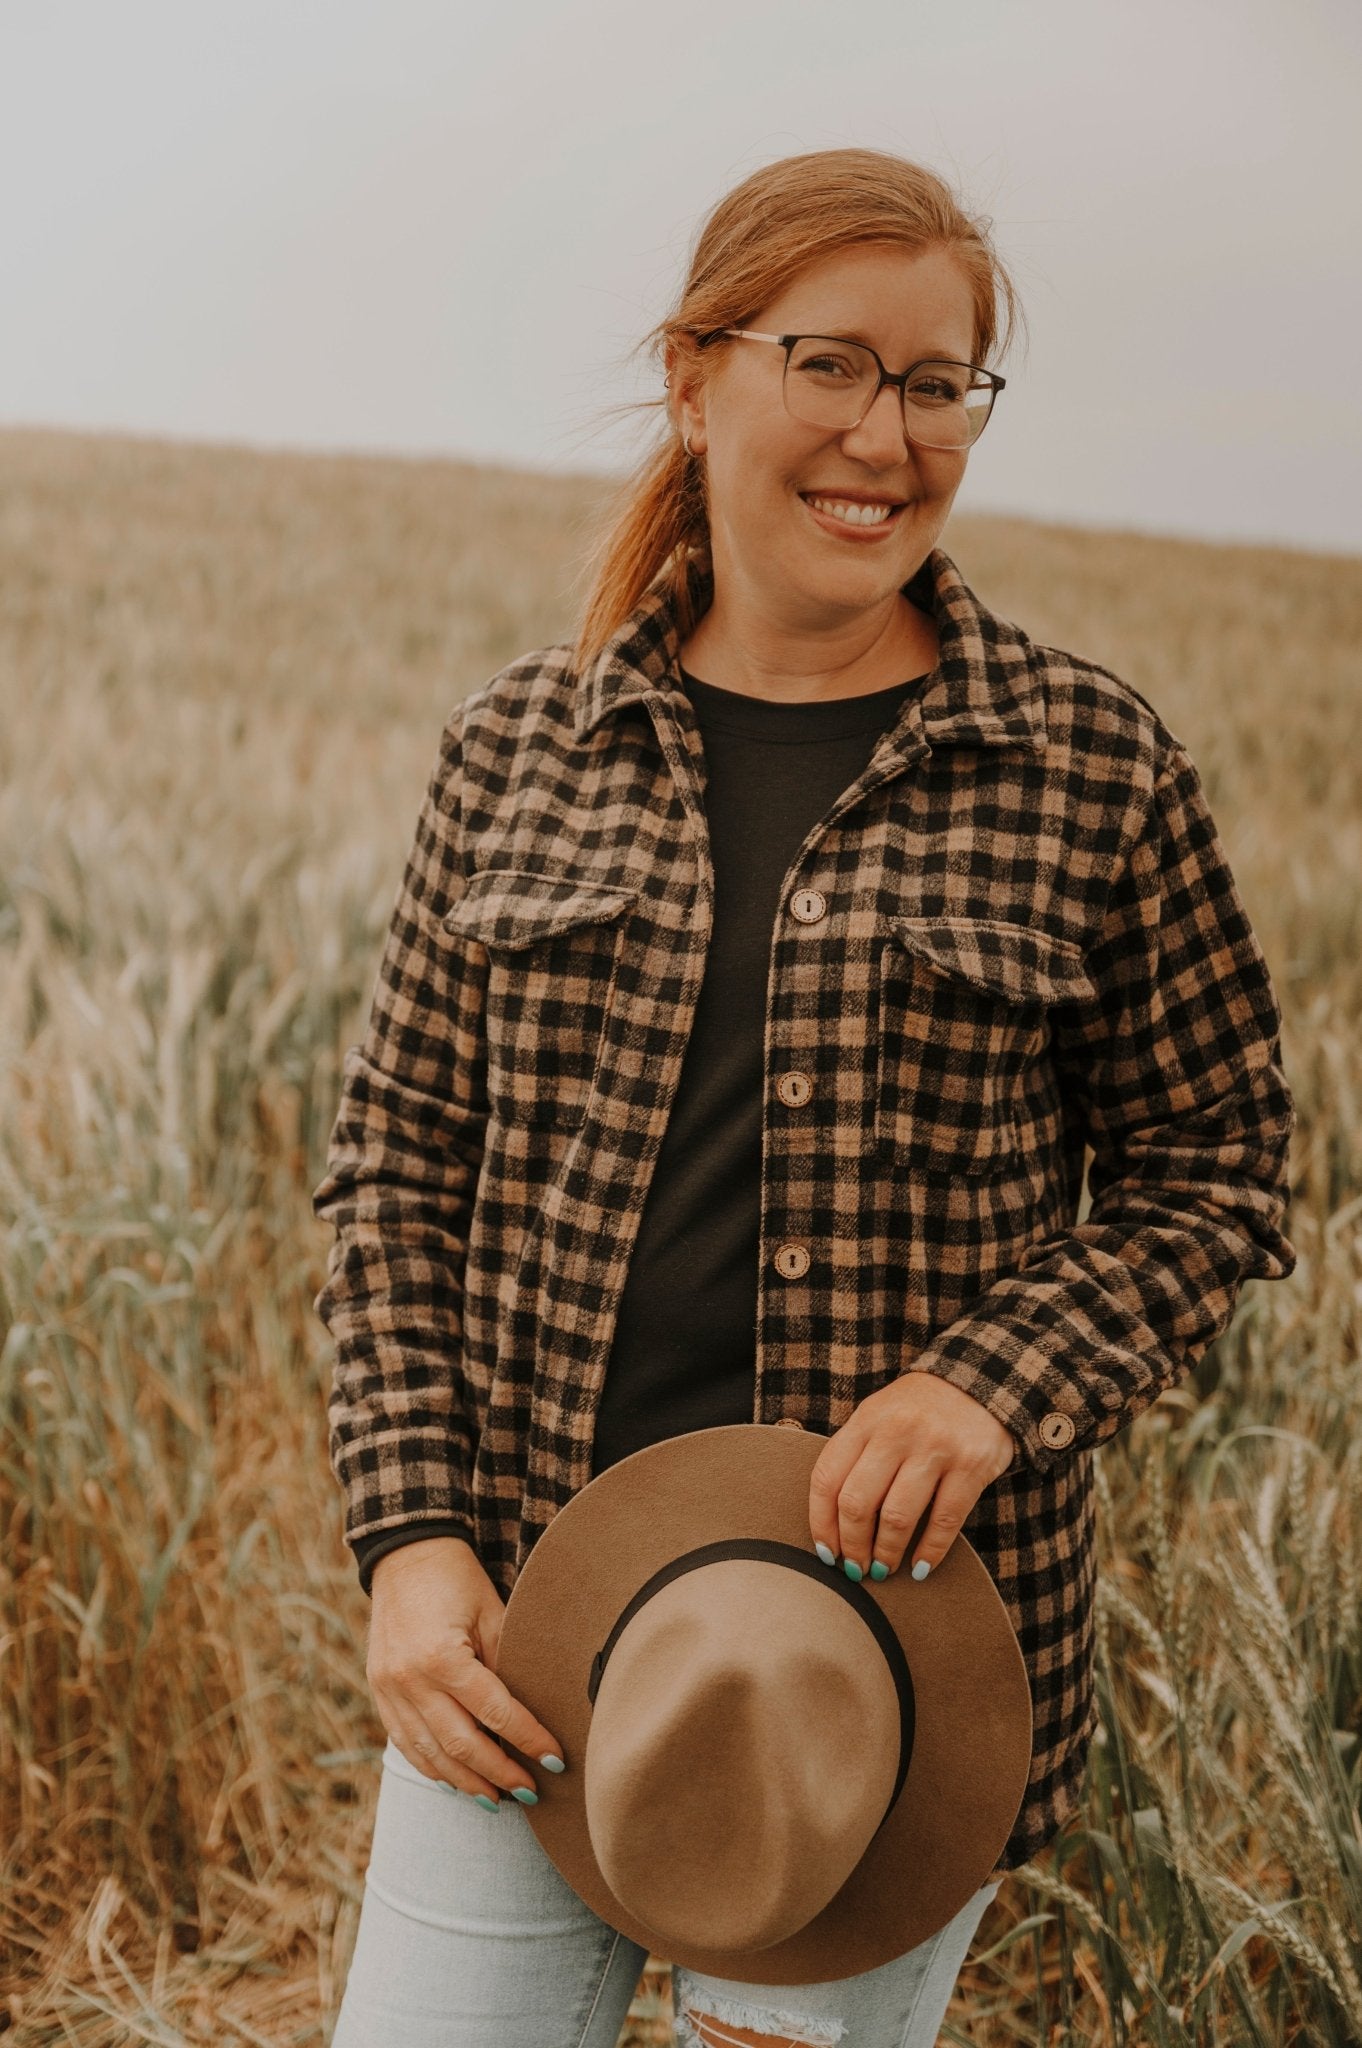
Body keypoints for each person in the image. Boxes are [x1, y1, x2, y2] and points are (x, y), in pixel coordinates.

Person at [310, 146, 1297, 2048]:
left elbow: (1220, 1167)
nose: (887, 435)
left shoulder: (1085, 766)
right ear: (696, 380)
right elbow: (393, 1172)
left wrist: (988, 1381)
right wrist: (412, 1543)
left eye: (940, 384)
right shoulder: (522, 744)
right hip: (526, 1633)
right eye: (829, 365)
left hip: (877, 1683)